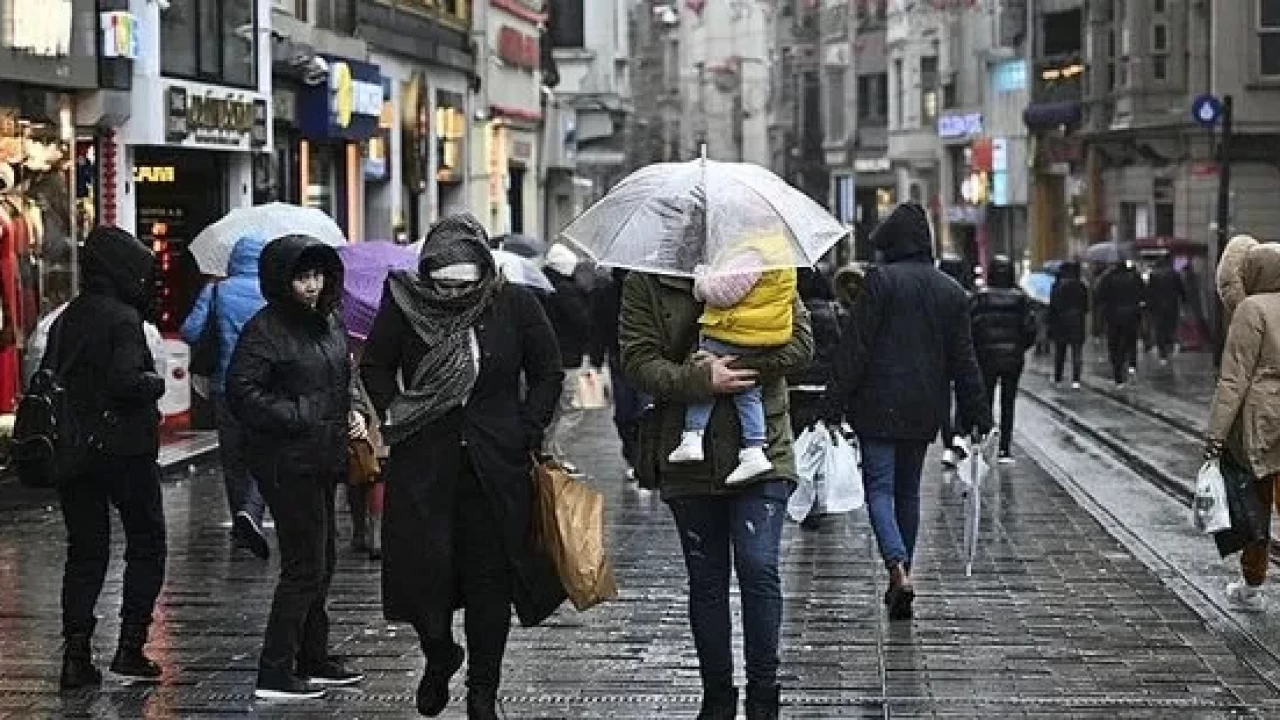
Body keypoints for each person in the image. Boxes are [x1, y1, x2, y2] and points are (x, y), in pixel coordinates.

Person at [361, 214, 566, 720]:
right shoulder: (404, 303)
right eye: (443, 277)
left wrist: (526, 428)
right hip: (423, 466)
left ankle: (482, 693)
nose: (452, 287)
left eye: (463, 277)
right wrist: (398, 411)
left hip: (494, 468)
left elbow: (546, 371)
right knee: (422, 575)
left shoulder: (514, 304)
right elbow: (374, 364)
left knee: (488, 584)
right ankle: (438, 653)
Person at [620, 261, 813, 720]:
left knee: (758, 565)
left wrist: (737, 362)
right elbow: (636, 359)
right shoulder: (646, 279)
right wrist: (699, 378)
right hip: (689, 455)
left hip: (762, 448)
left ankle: (764, 696)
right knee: (706, 581)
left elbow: (802, 344)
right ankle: (718, 698)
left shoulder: (765, 263)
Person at [825, 202, 991, 622]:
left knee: (878, 489)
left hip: (876, 405)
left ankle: (897, 569)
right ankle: (905, 571)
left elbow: (855, 349)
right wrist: (977, 411)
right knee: (908, 492)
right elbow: (964, 359)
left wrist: (831, 402)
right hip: (924, 407)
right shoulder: (951, 291)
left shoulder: (880, 284)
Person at [226, 235, 365, 699]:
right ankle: (275, 670)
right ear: (282, 280)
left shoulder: (327, 322)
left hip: (324, 456)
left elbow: (341, 378)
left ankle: (313, 655)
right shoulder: (265, 330)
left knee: (322, 562)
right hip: (288, 461)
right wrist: (298, 414)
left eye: (317, 275)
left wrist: (351, 412)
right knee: (304, 567)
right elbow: (242, 390)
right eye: (302, 277)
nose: (311, 285)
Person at [55, 226, 168, 689]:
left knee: (85, 552)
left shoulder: (68, 316)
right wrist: (154, 383)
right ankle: (130, 647)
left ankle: (76, 654)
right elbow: (126, 382)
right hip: (125, 451)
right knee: (146, 543)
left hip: (75, 453)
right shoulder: (123, 319)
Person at [668, 239, 799, 486]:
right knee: (748, 394)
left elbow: (723, 293)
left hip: (735, 331)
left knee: (706, 375)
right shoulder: (780, 251)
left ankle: (693, 436)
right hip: (763, 336)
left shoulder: (754, 251)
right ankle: (753, 449)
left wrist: (702, 278)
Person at [181, 234, 271, 558]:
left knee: (233, 459)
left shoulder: (217, 290)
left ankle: (241, 524)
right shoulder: (272, 291)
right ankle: (253, 511)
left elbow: (190, 330)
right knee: (266, 454)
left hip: (225, 386)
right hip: (266, 388)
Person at [1206, 242, 1280, 612]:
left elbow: (1233, 379)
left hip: (1262, 417)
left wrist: (1216, 435)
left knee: (1257, 502)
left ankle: (1252, 583)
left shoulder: (1251, 309)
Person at [969, 256, 1036, 463]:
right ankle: (1004, 449)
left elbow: (971, 326)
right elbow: (1029, 329)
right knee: (1008, 403)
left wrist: (979, 348)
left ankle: (984, 439)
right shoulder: (1020, 299)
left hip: (986, 357)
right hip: (1012, 358)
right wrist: (1019, 348)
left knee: (986, 398)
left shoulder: (981, 297)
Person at [589, 268, 646, 478]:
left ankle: (639, 459)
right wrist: (597, 355)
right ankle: (634, 456)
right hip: (620, 357)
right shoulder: (606, 294)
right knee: (626, 412)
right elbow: (598, 326)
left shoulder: (643, 290)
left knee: (639, 411)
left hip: (640, 357)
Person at [541, 243, 592, 470]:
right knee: (572, 409)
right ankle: (555, 456)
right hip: (569, 359)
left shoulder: (543, 287)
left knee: (552, 410)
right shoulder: (566, 291)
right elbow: (583, 323)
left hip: (548, 359)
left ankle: (545, 453)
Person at [1095, 261, 1146, 386]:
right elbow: (1143, 293)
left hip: (1113, 315)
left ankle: (1118, 371)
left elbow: (1100, 296)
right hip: (1131, 314)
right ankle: (1131, 364)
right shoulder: (1134, 277)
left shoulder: (1108, 278)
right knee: (1130, 340)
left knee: (1114, 343)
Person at [1048, 260, 1089, 388]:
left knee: (1060, 352)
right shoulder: (1081, 285)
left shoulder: (1057, 285)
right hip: (1077, 321)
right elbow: (1086, 307)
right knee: (1077, 352)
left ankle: (1058, 378)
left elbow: (1053, 306)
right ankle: (1076, 380)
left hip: (1060, 321)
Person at [1145, 255, 1186, 364]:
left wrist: (1148, 306)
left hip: (1157, 306)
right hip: (1172, 305)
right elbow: (1181, 289)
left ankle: (1162, 353)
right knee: (1170, 327)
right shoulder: (1174, 274)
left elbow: (1149, 291)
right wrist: (1184, 300)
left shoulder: (1153, 274)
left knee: (1160, 329)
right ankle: (1169, 347)